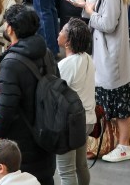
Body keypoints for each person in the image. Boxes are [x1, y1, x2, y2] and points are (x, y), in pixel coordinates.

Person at [69, 0, 130, 163]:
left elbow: (106, 23)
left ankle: (123, 145)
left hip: (110, 57)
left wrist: (89, 11)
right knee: (114, 102)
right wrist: (87, 5)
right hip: (110, 56)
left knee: (117, 104)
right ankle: (113, 143)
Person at [0, 4, 57, 184]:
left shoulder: (11, 63)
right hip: (46, 138)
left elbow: (5, 107)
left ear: (10, 28)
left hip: (21, 147)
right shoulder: (47, 53)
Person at [55, 19, 95, 185]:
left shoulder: (66, 65)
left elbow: (54, 93)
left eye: (62, 31)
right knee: (81, 165)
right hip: (87, 120)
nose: (59, 33)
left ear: (68, 41)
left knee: (66, 171)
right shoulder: (87, 59)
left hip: (70, 123)